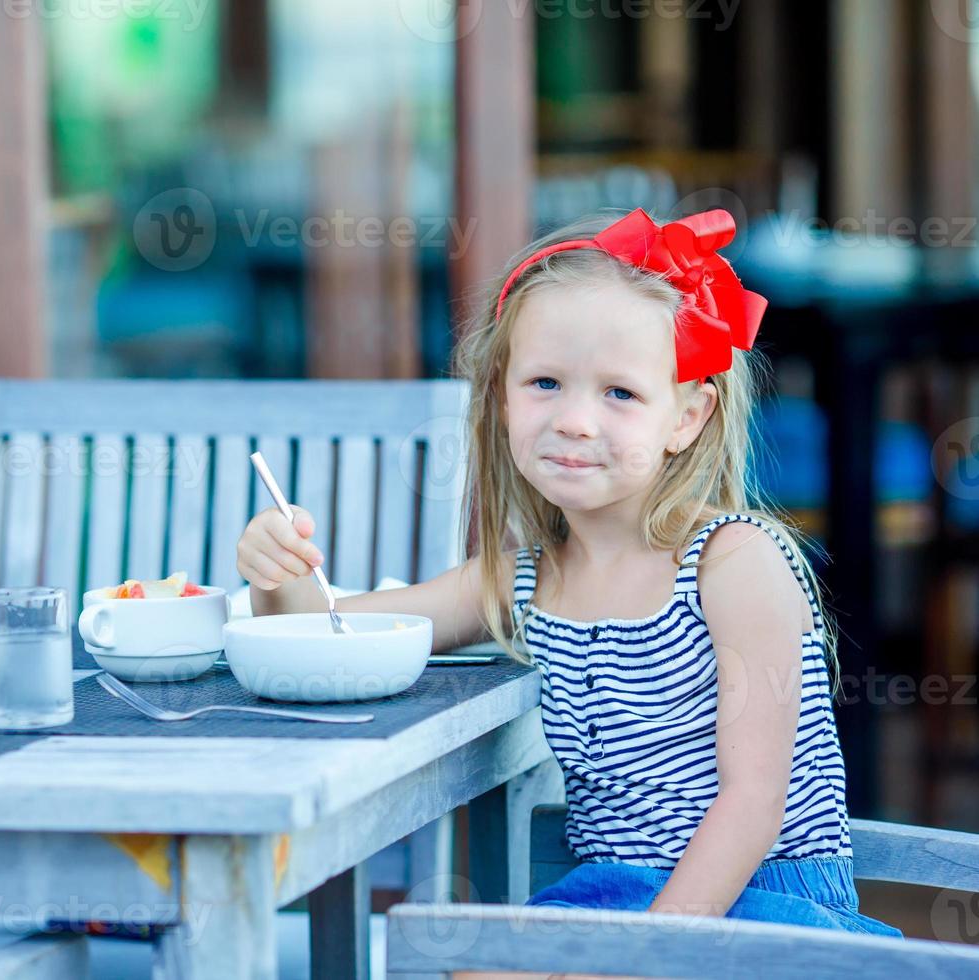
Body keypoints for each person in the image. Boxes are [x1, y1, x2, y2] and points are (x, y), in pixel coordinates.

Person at [236, 208, 902, 935]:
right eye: (545, 383)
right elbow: (334, 636)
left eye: (620, 393)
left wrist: (644, 953)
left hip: (759, 910)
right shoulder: (520, 580)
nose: (575, 420)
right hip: (609, 901)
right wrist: (278, 574)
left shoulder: (733, 562)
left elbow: (752, 807)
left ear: (686, 416)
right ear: (501, 395)